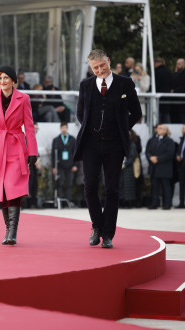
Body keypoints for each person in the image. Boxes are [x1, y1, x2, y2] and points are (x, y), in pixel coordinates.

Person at [73, 49, 142, 249]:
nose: (100, 70)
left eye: (102, 65)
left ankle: (108, 234)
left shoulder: (125, 83)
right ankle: (96, 226)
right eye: (95, 67)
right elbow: (80, 113)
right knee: (90, 186)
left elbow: (136, 111)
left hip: (115, 144)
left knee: (112, 189)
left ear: (108, 61)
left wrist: (122, 127)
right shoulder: (85, 85)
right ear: (91, 68)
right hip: (91, 144)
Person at [0, 65, 38, 245]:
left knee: (13, 188)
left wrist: (32, 151)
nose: (3, 81)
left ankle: (13, 231)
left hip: (15, 146)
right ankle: (8, 230)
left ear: (13, 80)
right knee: (1, 190)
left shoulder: (24, 98)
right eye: (0, 78)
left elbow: (29, 126)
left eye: (6, 78)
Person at [145, 124, 175, 210]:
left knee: (166, 187)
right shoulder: (152, 140)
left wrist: (158, 159)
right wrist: (150, 157)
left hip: (164, 168)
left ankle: (167, 204)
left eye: (160, 128)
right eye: (158, 128)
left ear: (165, 130)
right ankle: (154, 203)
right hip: (154, 168)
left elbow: (170, 154)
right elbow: (148, 151)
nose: (158, 129)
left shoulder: (169, 141)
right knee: (154, 187)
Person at [52, 122, 78, 202]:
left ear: (67, 128)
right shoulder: (56, 140)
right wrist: (54, 166)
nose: (64, 129)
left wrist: (75, 164)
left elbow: (76, 152)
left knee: (69, 183)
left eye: (65, 127)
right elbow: (53, 154)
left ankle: (68, 200)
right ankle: (59, 200)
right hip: (59, 165)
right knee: (59, 182)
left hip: (70, 165)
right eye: (62, 128)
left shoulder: (72, 139)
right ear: (60, 128)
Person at [170, 58, 185, 123]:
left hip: (182, 102)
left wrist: (175, 91)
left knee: (182, 119)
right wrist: (176, 74)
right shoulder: (175, 74)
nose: (177, 65)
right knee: (174, 120)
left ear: (183, 64)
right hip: (174, 103)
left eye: (179, 64)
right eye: (177, 64)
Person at [119, 133, 138, 208]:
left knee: (128, 185)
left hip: (128, 168)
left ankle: (128, 203)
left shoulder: (132, 144)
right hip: (118, 167)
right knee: (119, 185)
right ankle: (121, 202)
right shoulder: (117, 143)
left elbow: (133, 156)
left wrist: (125, 164)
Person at [154, 58, 172, 123]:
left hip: (158, 96)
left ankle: (157, 128)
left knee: (158, 115)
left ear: (156, 63)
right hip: (167, 96)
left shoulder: (157, 72)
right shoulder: (168, 71)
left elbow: (156, 84)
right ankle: (168, 128)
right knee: (166, 114)